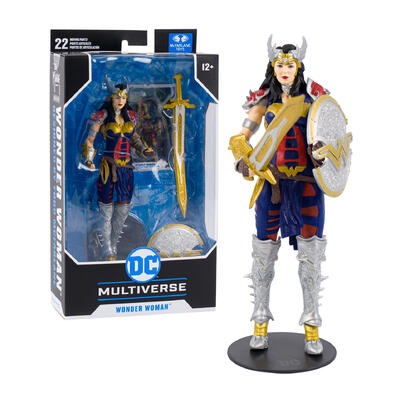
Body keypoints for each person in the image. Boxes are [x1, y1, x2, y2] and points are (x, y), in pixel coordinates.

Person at [229, 37, 331, 355]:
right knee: (263, 254)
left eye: (290, 64)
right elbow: (240, 137)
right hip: (271, 185)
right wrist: (244, 158)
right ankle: (260, 324)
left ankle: (312, 329)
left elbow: (332, 137)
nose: (285, 69)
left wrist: (322, 152)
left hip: (307, 185)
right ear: (272, 68)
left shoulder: (314, 100)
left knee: (311, 256)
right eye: (279, 64)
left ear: (298, 67)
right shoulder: (264, 102)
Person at [82, 78, 153, 260]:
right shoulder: (103, 115)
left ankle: (113, 246)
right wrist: (89, 159)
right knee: (106, 210)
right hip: (109, 166)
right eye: (117, 97)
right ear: (111, 98)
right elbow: (90, 139)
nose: (120, 100)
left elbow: (134, 138)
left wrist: (144, 149)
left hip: (126, 168)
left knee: (123, 210)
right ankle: (107, 248)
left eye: (123, 97)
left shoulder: (131, 116)